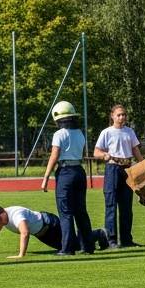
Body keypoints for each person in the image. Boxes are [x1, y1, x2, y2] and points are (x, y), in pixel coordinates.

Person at [41, 101, 96, 255]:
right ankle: (88, 246)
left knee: (65, 212)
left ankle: (68, 248)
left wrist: (46, 177)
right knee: (81, 211)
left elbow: (54, 156)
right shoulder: (80, 133)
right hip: (79, 171)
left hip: (65, 172)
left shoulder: (59, 134)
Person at [93, 105, 144, 248]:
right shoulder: (106, 132)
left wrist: (143, 166)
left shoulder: (129, 132)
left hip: (127, 169)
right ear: (112, 116)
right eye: (119, 115)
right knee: (111, 205)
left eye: (124, 115)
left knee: (126, 206)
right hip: (113, 168)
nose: (122, 117)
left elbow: (135, 150)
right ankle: (111, 240)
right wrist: (104, 155)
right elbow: (96, 152)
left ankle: (127, 240)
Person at [0, 204, 108, 258]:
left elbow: (25, 233)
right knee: (71, 246)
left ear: (2, 214)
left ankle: (98, 234)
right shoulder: (1, 219)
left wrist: (21, 254)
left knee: (70, 245)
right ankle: (94, 238)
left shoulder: (16, 215)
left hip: (50, 224)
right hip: (42, 234)